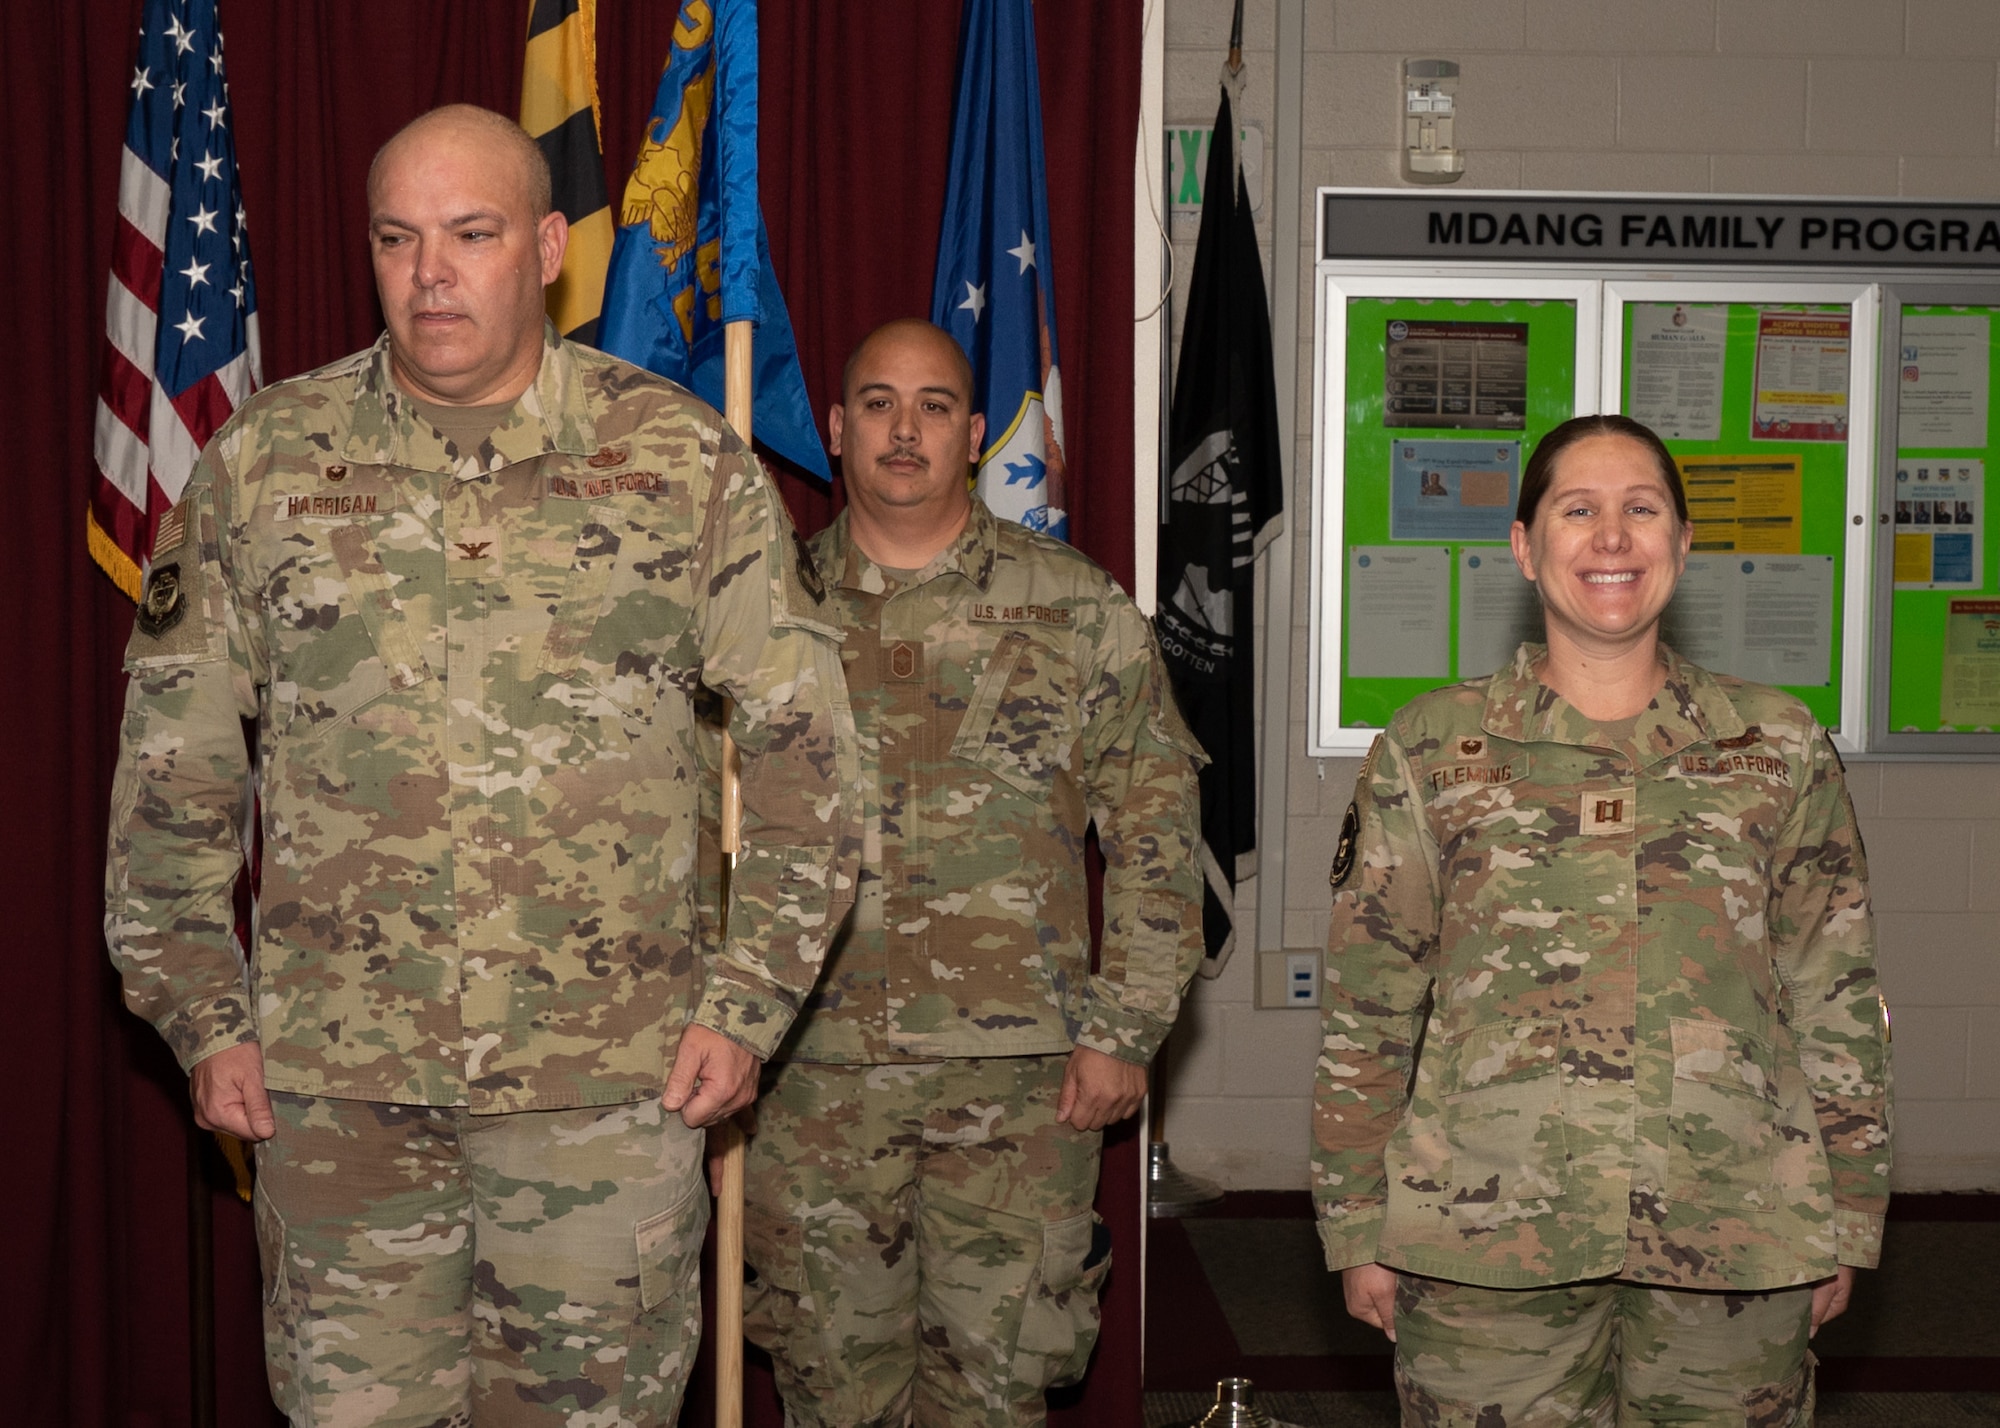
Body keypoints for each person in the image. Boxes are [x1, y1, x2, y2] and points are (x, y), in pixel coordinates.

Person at [104, 104, 857, 1426]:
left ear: (550, 249)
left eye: (471, 234)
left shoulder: (678, 464)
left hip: (607, 1102)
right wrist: (200, 1012)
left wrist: (749, 1005)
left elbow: (813, 763)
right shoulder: (264, 466)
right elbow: (172, 766)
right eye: (398, 238)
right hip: (337, 1098)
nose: (430, 273)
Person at [1315, 413, 1891, 1424]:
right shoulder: (1433, 747)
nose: (1611, 538)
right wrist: (1355, 1221)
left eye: (1641, 509)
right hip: (1486, 1236)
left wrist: (1847, 1214)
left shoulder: (1777, 744)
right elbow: (1369, 1003)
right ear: (1524, 548)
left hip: (1734, 1230)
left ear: (1680, 543)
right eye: (1576, 510)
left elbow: (1831, 991)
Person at [739, 319, 1206, 1427]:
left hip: (1019, 1086)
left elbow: (1154, 827)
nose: (905, 430)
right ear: (837, 428)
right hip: (810, 1074)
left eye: (935, 405)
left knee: (993, 1396)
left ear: (973, 430)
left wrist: (1122, 1029)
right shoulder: (761, 614)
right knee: (830, 1393)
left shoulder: (1073, 609)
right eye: (877, 402)